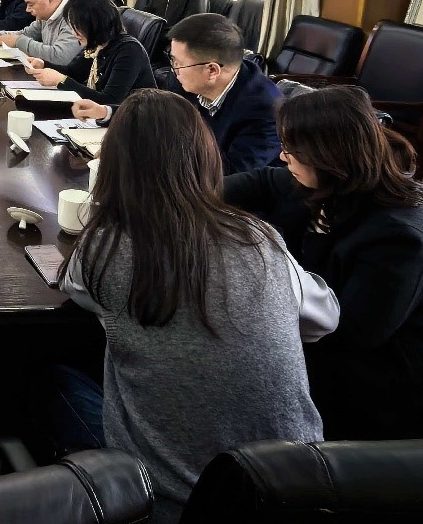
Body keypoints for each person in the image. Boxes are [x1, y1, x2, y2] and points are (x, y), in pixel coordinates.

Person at [58, 89, 337, 523]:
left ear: (113, 167)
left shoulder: (102, 249)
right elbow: (325, 318)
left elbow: (80, 292)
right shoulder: (259, 237)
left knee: (55, 378)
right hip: (296, 496)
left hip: (166, 505)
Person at [224, 86, 423, 440]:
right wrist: (191, 196)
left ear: (327, 155)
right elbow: (263, 181)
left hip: (387, 373)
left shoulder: (399, 239)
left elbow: (349, 335)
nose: (282, 156)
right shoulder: (332, 182)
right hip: (336, 338)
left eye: (291, 149)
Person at [79, 13, 280, 175]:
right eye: (172, 59)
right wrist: (106, 113)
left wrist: (142, 156)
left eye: (178, 63)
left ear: (212, 70)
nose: (173, 69)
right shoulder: (186, 77)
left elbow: (228, 173)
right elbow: (160, 114)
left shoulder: (265, 110)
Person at [26, 0, 155, 110]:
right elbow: (74, 72)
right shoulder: (98, 44)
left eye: (77, 27)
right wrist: (43, 64)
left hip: (137, 119)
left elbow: (109, 101)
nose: (73, 33)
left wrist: (61, 81)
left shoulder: (129, 50)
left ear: (94, 24)